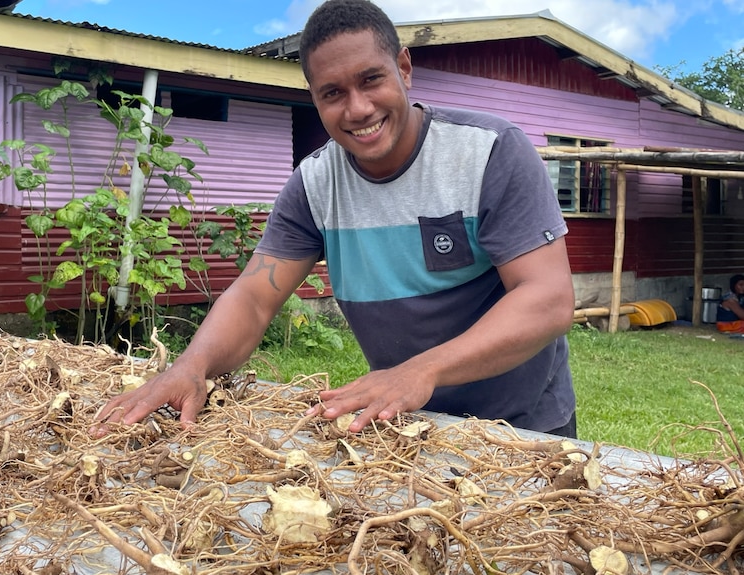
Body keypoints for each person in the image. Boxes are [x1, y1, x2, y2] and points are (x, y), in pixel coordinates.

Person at [93, 0, 577, 438]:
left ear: (404, 68)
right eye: (333, 93)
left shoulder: (489, 152)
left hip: (524, 426)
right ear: (314, 98)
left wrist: (418, 371)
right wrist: (192, 366)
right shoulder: (314, 185)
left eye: (371, 80)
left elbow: (547, 299)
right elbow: (254, 297)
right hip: (406, 425)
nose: (358, 108)